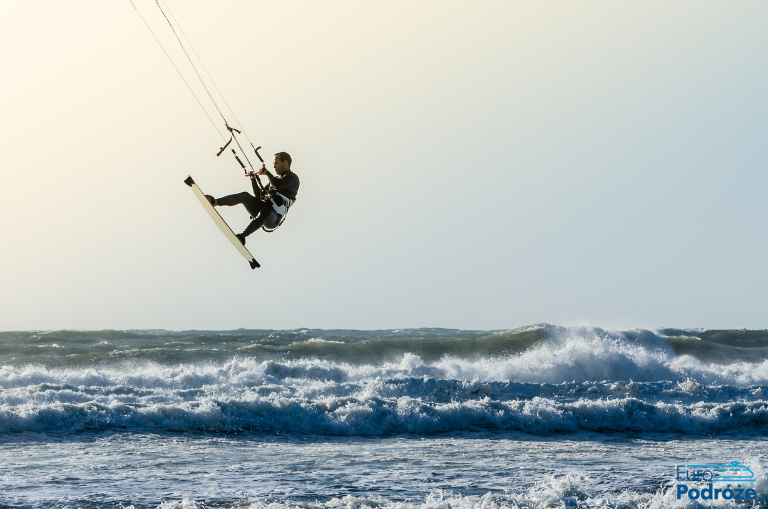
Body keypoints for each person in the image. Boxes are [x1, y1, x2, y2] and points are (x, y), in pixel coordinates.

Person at [205, 152, 299, 245]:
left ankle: (242, 236)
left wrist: (267, 173)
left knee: (268, 206)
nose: (274, 166)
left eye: (276, 163)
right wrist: (253, 179)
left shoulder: (293, 178)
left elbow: (279, 184)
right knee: (244, 195)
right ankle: (215, 202)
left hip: (273, 218)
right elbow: (259, 197)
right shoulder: (273, 181)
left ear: (285, 162)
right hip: (262, 211)